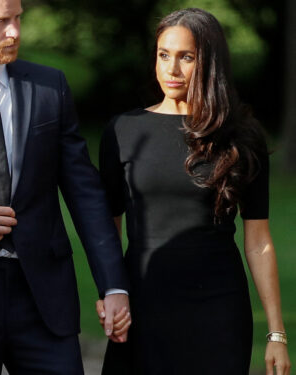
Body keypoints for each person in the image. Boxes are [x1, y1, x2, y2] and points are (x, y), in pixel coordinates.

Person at [0, 0, 131, 373]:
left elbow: (84, 193)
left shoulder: (48, 88)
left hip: (42, 297)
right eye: (1, 21)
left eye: (18, 18)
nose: (15, 31)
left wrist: (113, 285)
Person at [98, 8, 291, 375]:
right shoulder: (123, 130)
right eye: (163, 55)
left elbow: (259, 240)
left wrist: (276, 333)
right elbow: (109, 225)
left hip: (218, 311)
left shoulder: (241, 136)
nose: (171, 69)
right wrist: (110, 291)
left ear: (210, 62)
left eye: (186, 57)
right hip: (142, 307)